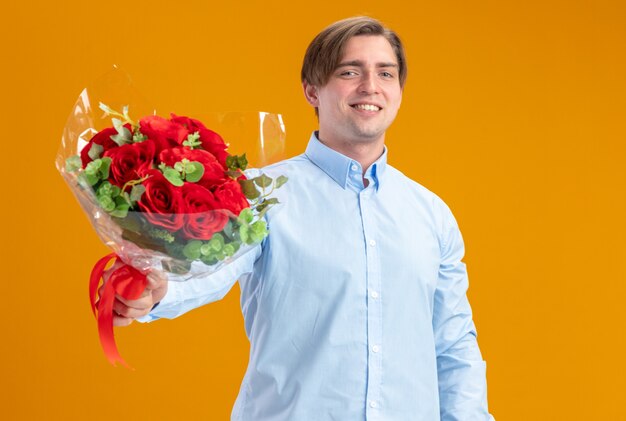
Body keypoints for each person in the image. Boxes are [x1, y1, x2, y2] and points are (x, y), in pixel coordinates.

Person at [113, 16, 495, 421]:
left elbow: (453, 346)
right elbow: (208, 268)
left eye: (386, 73)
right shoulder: (261, 194)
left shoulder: (431, 213)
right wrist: (155, 290)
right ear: (312, 90)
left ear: (399, 90)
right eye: (350, 72)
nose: (371, 86)